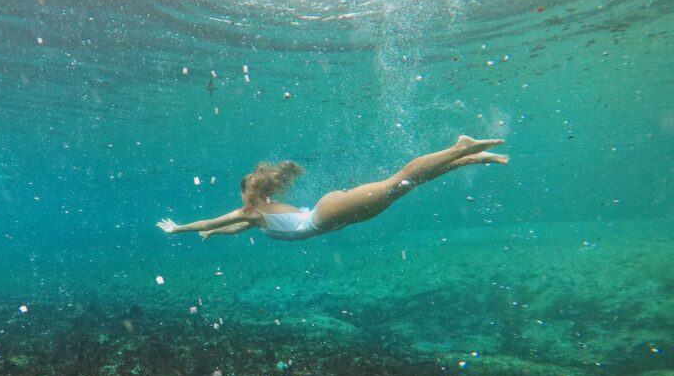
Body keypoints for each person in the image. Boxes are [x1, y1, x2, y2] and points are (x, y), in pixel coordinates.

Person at [156, 135, 508, 241]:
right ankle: (473, 159)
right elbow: (227, 229)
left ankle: (460, 147)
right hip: (333, 215)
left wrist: (179, 229)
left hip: (330, 214)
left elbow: (210, 221)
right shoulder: (256, 216)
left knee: (399, 179)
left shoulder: (251, 212)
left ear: (247, 195)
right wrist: (213, 236)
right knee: (404, 185)